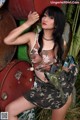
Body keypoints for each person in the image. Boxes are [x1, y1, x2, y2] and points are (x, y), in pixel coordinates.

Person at [4, 6, 77, 120]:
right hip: (41, 89)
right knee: (9, 111)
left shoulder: (60, 43)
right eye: (44, 15)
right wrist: (27, 23)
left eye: (51, 17)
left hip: (59, 91)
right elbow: (7, 40)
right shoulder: (32, 38)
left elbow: (60, 67)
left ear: (57, 23)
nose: (45, 19)